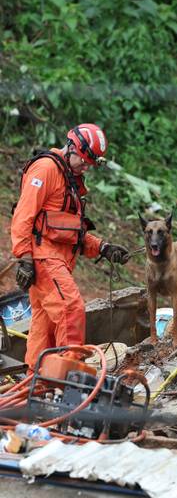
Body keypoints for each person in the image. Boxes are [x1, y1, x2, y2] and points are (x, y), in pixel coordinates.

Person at [11, 124, 130, 370]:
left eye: (90, 164)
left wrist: (103, 247)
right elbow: (23, 216)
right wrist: (24, 257)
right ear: (72, 148)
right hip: (44, 259)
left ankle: (38, 382)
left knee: (44, 327)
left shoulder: (70, 180)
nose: (86, 168)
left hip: (57, 259)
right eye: (84, 161)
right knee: (70, 307)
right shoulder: (45, 169)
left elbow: (68, 231)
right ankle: (68, 377)